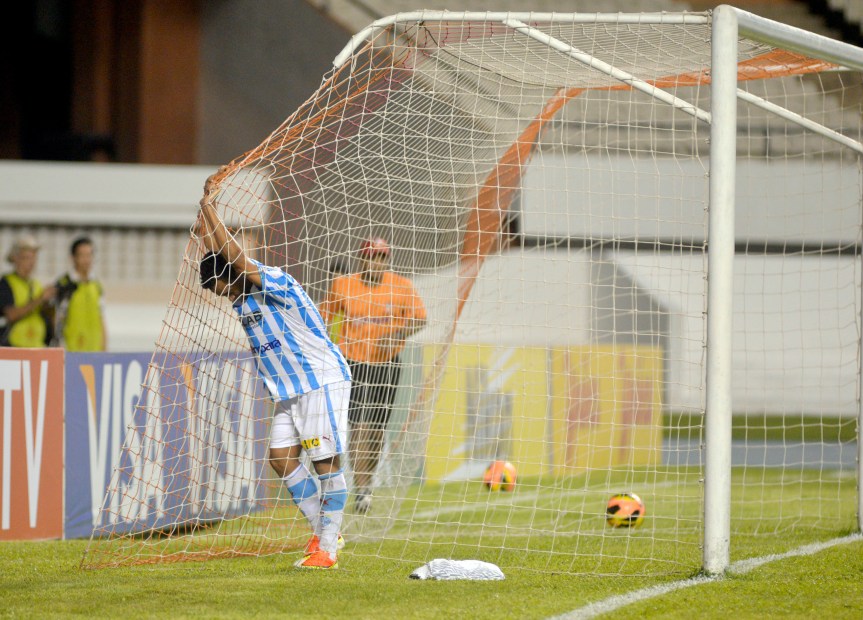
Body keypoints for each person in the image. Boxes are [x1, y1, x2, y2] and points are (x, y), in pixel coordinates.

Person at [196, 170, 351, 570]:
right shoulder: (240, 298)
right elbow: (220, 254)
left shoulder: (275, 283)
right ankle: (324, 528)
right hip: (288, 392)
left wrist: (213, 208)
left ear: (234, 278)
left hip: (318, 381)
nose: (225, 297)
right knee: (280, 459)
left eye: (224, 288)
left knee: (325, 464)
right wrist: (205, 211)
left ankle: (327, 551)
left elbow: (233, 258)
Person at [321, 237, 427, 514]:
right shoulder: (343, 285)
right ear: (362, 259)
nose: (376, 262)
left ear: (387, 260)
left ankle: (366, 485)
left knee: (377, 428)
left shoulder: (401, 286)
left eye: (381, 257)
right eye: (371, 257)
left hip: (387, 362)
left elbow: (420, 318)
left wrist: (397, 334)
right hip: (352, 362)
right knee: (358, 425)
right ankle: (360, 487)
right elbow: (323, 316)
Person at [0, 235, 56, 347]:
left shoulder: (36, 284)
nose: (31, 263)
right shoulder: (6, 283)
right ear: (15, 259)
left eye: (34, 258)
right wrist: (39, 299)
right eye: (26, 258)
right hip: (15, 346)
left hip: (37, 345)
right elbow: (10, 314)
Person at [53, 236, 108, 351]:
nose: (86, 260)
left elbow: (101, 317)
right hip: (72, 351)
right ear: (73, 258)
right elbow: (57, 317)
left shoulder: (97, 285)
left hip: (94, 350)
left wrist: (104, 346)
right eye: (82, 255)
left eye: (89, 255)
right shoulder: (64, 284)